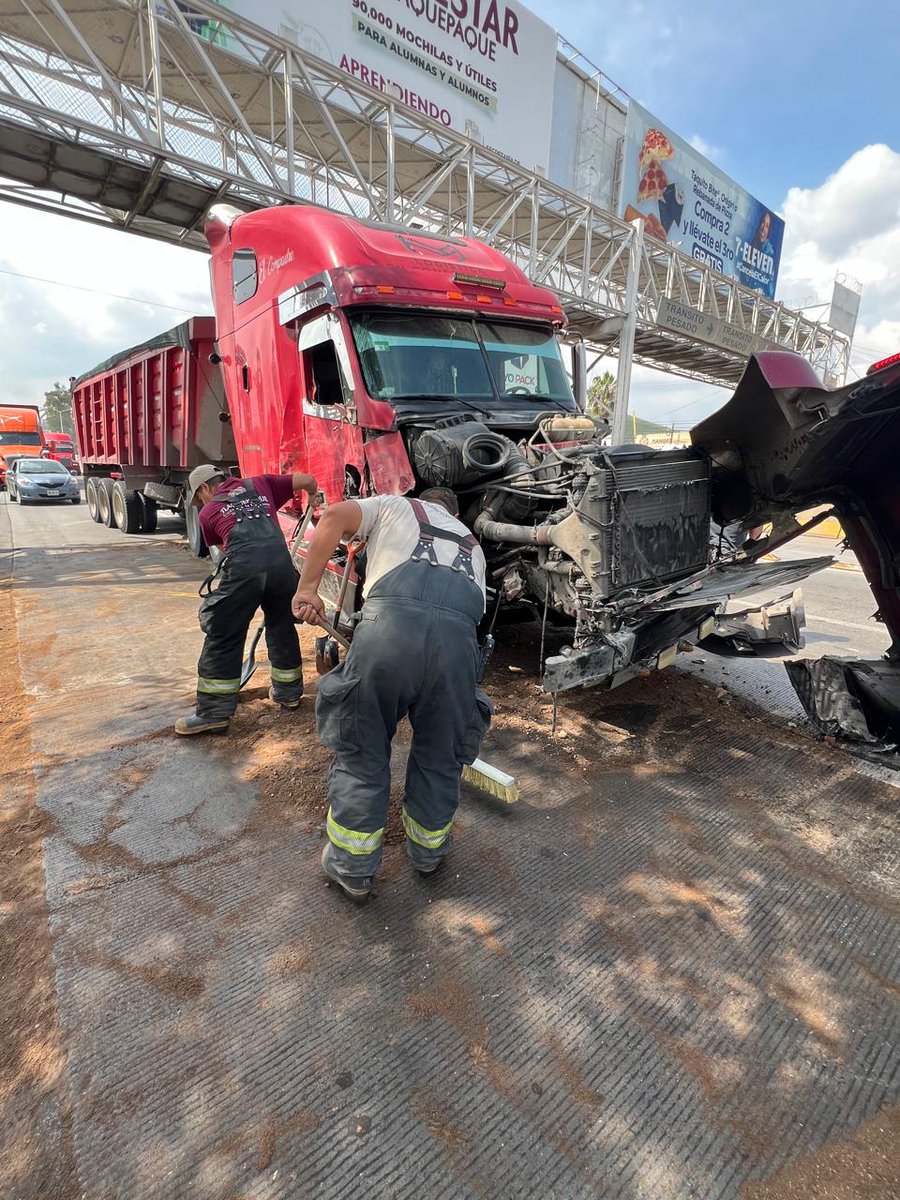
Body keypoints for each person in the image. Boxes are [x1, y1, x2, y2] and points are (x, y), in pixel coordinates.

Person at [293, 488, 492, 902]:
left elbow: (331, 518)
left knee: (363, 749)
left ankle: (352, 867)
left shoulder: (392, 506)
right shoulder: (474, 545)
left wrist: (308, 588)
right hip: (457, 652)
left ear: (424, 501)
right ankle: (428, 853)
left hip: (389, 635)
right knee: (441, 756)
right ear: (452, 513)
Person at [175, 463, 317, 736]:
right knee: (282, 627)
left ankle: (214, 714)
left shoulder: (208, 512)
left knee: (225, 633)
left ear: (205, 487)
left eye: (199, 496)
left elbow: (224, 549)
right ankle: (289, 694)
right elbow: (308, 480)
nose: (200, 502)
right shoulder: (260, 484)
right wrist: (313, 495)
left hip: (245, 572)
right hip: (282, 569)